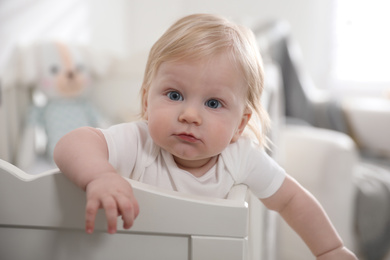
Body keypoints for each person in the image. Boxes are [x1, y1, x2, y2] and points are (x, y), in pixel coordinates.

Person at [54, 13, 357, 259]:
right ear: (147, 102)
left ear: (240, 125)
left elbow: (291, 200)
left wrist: (330, 249)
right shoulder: (139, 141)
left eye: (213, 103)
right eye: (174, 95)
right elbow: (73, 143)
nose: (190, 115)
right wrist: (100, 176)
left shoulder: (240, 157)